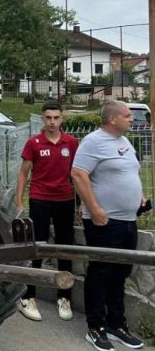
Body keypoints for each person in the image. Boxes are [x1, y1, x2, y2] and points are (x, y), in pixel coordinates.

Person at [72, 100, 148, 351]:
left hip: (128, 221)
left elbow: (129, 172)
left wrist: (139, 196)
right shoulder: (93, 141)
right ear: (112, 119)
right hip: (104, 221)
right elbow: (78, 174)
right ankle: (95, 327)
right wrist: (94, 208)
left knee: (120, 273)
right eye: (127, 115)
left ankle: (117, 325)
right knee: (100, 272)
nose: (132, 119)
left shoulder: (124, 142)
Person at [15, 101, 79, 322]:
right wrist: (19, 200)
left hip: (65, 200)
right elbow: (24, 173)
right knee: (37, 248)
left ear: (62, 119)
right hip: (40, 199)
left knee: (65, 249)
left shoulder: (71, 142)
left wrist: (81, 203)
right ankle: (28, 297)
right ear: (42, 119)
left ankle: (64, 297)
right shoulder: (33, 143)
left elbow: (76, 174)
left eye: (56, 118)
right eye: (48, 118)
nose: (52, 122)